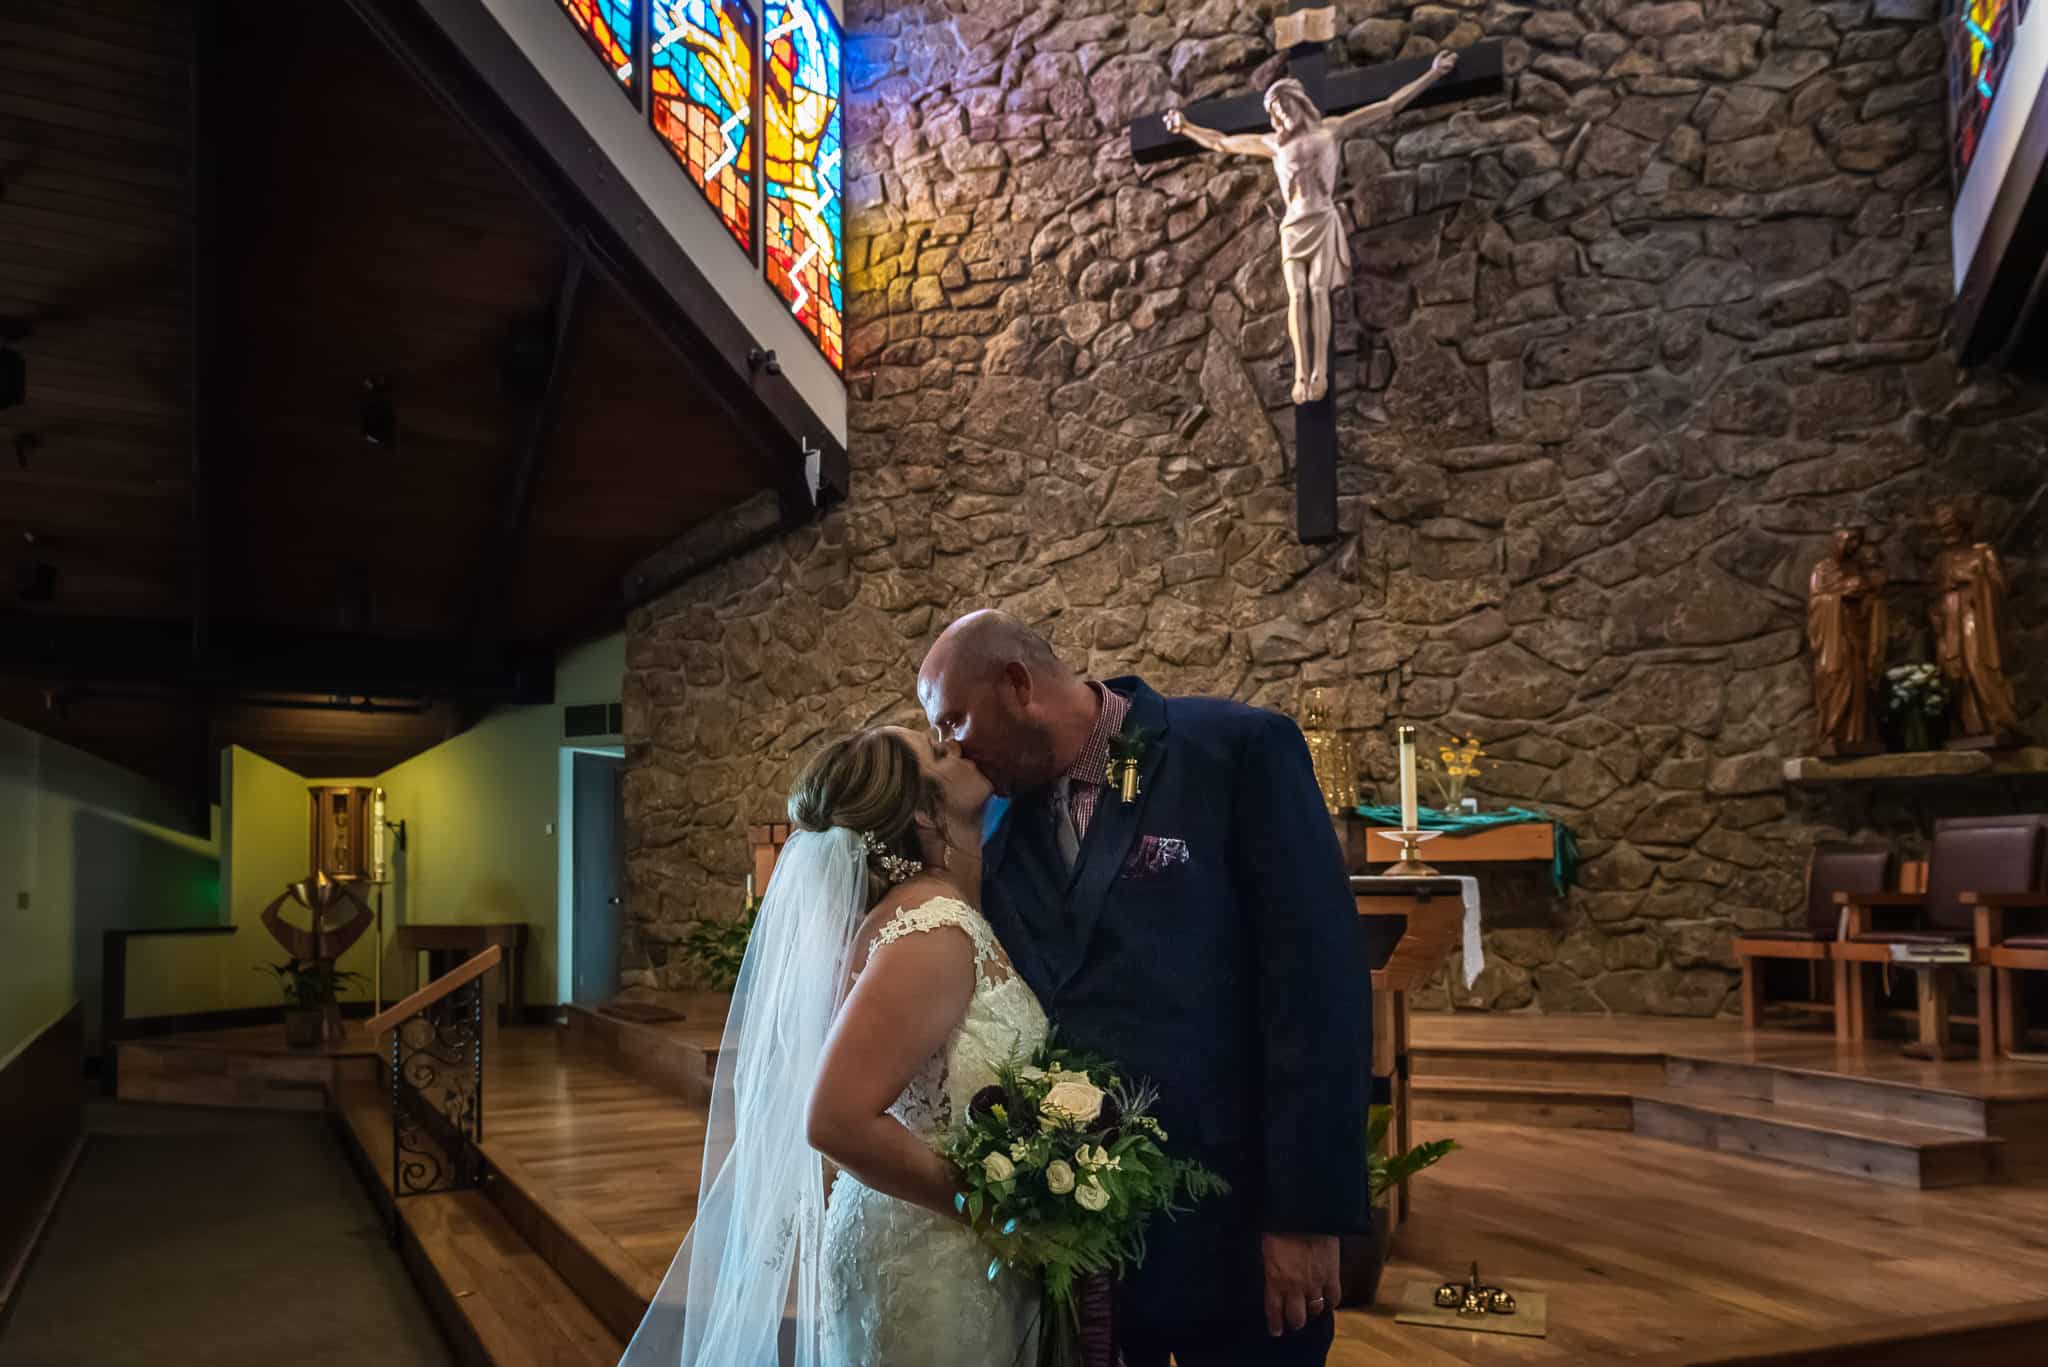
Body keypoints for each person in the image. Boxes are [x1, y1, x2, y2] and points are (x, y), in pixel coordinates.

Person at [918, 611, 1370, 1367]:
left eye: (955, 718)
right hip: (1091, 1245)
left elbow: (1316, 990)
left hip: (1240, 1226)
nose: (951, 746)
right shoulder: (996, 825)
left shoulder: (1234, 751)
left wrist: (1305, 1215)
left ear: (1018, 684)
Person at [618, 726, 1046, 1366]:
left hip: (931, 1242)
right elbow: (836, 1120)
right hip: (934, 1257)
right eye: (938, 752)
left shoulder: (929, 914)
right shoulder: (932, 932)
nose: (955, 745)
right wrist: (994, 1215)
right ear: (925, 814)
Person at [1164, 49, 1458, 405]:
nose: (1280, 115)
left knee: (1318, 291)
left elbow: (1389, 104)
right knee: (1297, 295)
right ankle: (1301, 373)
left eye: (1284, 106)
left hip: (1321, 218)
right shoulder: (1273, 145)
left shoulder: (1331, 130)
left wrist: (1433, 74)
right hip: (1293, 226)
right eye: (1274, 111)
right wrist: (1187, 128)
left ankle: (1319, 371)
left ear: (1298, 103)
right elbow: (1222, 142)